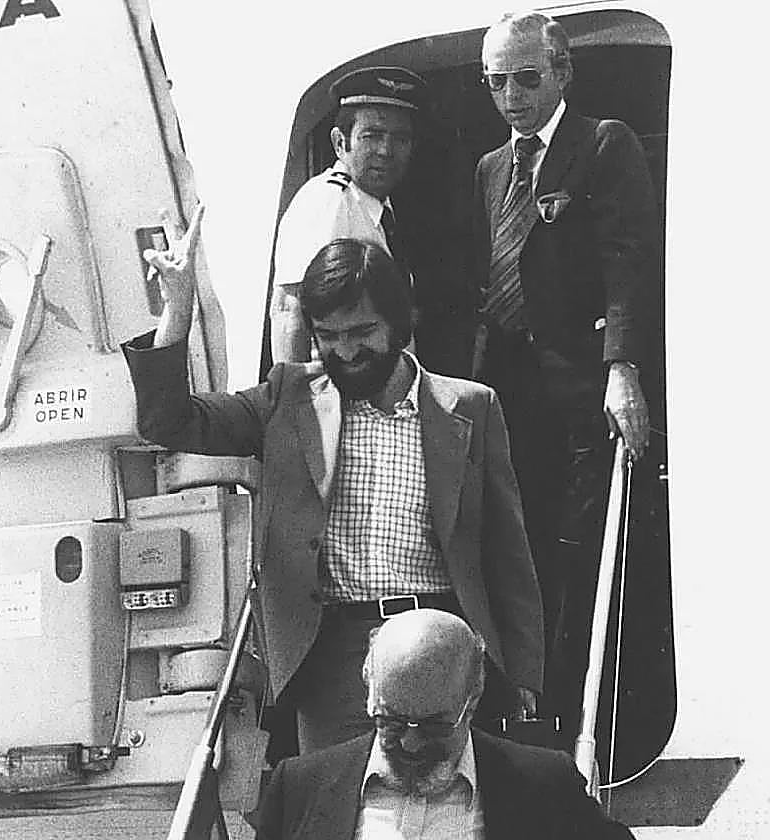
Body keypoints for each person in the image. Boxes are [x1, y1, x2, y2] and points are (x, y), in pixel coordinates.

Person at [122, 216, 543, 753]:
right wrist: (177, 312)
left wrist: (525, 672)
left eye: (362, 334)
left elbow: (508, 552)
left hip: (444, 644)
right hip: (333, 657)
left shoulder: (470, 407)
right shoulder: (287, 399)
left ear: (400, 323)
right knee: (341, 814)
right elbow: (168, 422)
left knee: (445, 815)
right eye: (329, 337)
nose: (345, 353)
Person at [467, 11, 661, 728]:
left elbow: (628, 264)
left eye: (526, 78)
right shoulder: (490, 169)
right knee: (519, 548)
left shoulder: (603, 145)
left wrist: (624, 370)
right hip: (510, 391)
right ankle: (529, 711)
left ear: (562, 74)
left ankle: (592, 712)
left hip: (583, 385)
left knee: (583, 546)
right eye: (496, 82)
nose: (511, 96)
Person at [255, 608, 634, 839]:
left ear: (472, 701)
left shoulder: (545, 785)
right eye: (392, 722)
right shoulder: (299, 788)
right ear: (369, 694)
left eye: (434, 726)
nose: (411, 744)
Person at [270, 66, 425, 364]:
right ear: (341, 143)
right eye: (372, 135)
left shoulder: (373, 206)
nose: (385, 150)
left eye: (400, 138)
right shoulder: (327, 202)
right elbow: (290, 311)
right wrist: (295, 403)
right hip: (337, 393)